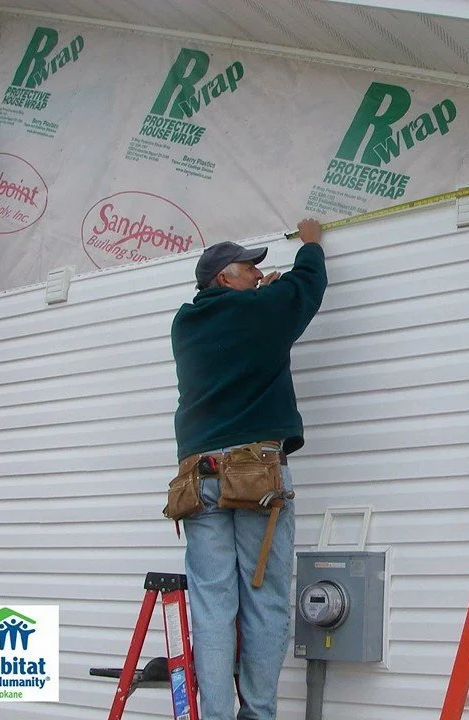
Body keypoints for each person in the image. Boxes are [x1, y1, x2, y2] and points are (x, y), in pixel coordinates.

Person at [170, 219, 327, 719]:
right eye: (248, 269)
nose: (258, 276)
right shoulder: (261, 310)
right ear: (221, 278)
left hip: (199, 478)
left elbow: (249, 318)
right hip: (255, 473)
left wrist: (262, 296)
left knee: (213, 604)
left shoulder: (185, 324)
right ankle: (257, 714)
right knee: (264, 600)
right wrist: (310, 245)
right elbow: (307, 289)